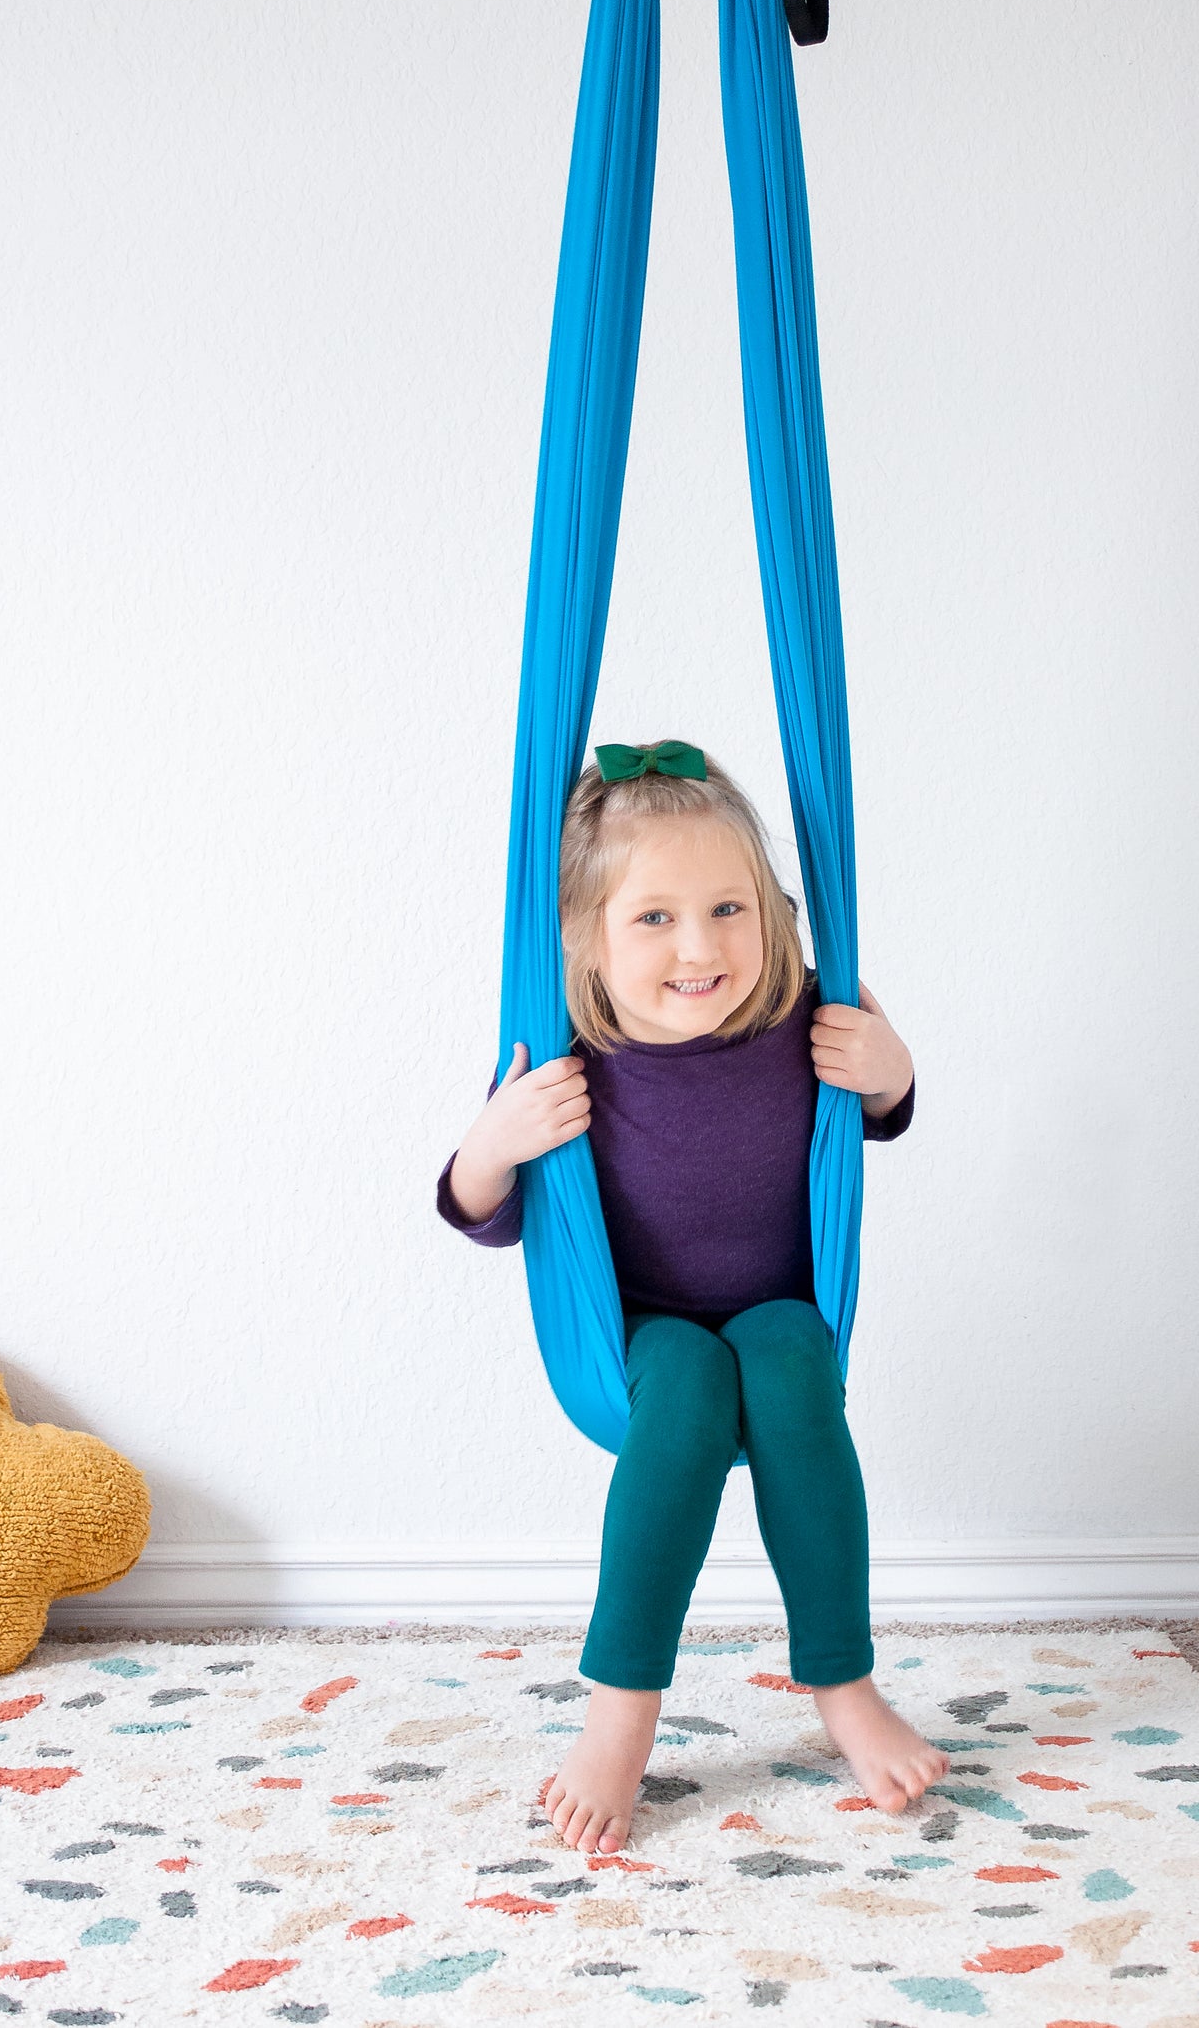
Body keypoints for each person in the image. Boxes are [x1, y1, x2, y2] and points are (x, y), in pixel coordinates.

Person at [436, 738, 949, 1854]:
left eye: (727, 906)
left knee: (792, 1361)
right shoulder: (565, 1054)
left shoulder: (807, 1015)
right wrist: (492, 1139)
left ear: (770, 910)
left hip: (776, 1312)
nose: (700, 946)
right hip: (637, 1336)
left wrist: (891, 1064)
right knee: (681, 1382)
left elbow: (882, 1111)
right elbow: (482, 1206)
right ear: (582, 936)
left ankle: (843, 1684)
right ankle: (621, 1711)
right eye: (654, 918)